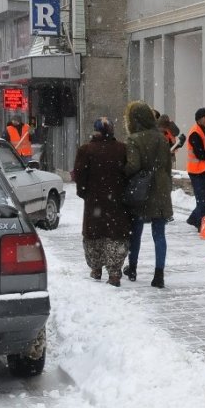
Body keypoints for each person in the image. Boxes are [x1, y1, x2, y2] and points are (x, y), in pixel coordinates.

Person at [120, 101, 173, 288]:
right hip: (161, 188)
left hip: (142, 189)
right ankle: (159, 274)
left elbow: (133, 165)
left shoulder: (134, 139)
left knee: (136, 231)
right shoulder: (162, 138)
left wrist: (122, 173)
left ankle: (132, 267)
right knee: (159, 233)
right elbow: (168, 165)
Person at [73, 117, 131, 287]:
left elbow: (79, 175)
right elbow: (128, 173)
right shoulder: (122, 149)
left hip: (94, 201)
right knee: (115, 235)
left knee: (94, 234)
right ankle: (114, 273)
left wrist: (84, 192)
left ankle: (96, 268)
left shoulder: (86, 150)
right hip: (117, 202)